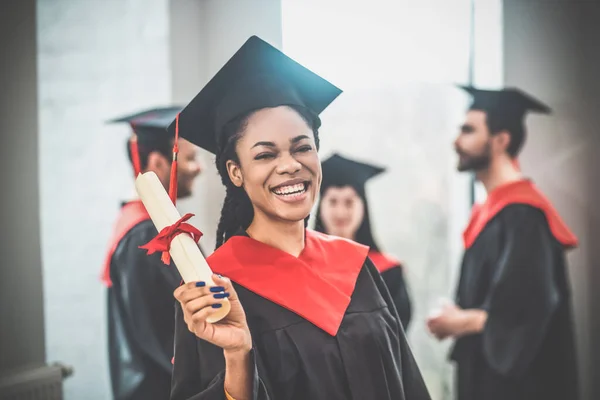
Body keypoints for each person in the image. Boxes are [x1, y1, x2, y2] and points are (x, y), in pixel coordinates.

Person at [166, 36, 431, 400]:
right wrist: (240, 358)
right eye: (265, 155)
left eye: (302, 147)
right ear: (235, 172)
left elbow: (407, 383)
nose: (290, 165)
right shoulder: (215, 289)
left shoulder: (356, 266)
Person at [426, 86, 579, 400]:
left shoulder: (522, 215)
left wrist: (459, 322)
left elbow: (525, 314)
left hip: (518, 388)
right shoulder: (494, 212)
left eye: (468, 131)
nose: (457, 141)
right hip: (486, 377)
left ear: (501, 140)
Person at [102, 106, 202, 400]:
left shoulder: (145, 225)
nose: (199, 168)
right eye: (191, 158)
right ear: (159, 163)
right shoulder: (147, 236)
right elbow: (168, 335)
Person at [314, 153, 412, 329]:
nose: (341, 212)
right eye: (333, 201)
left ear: (363, 207)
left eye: (349, 202)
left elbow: (397, 332)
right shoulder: (305, 268)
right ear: (321, 207)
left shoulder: (387, 271)